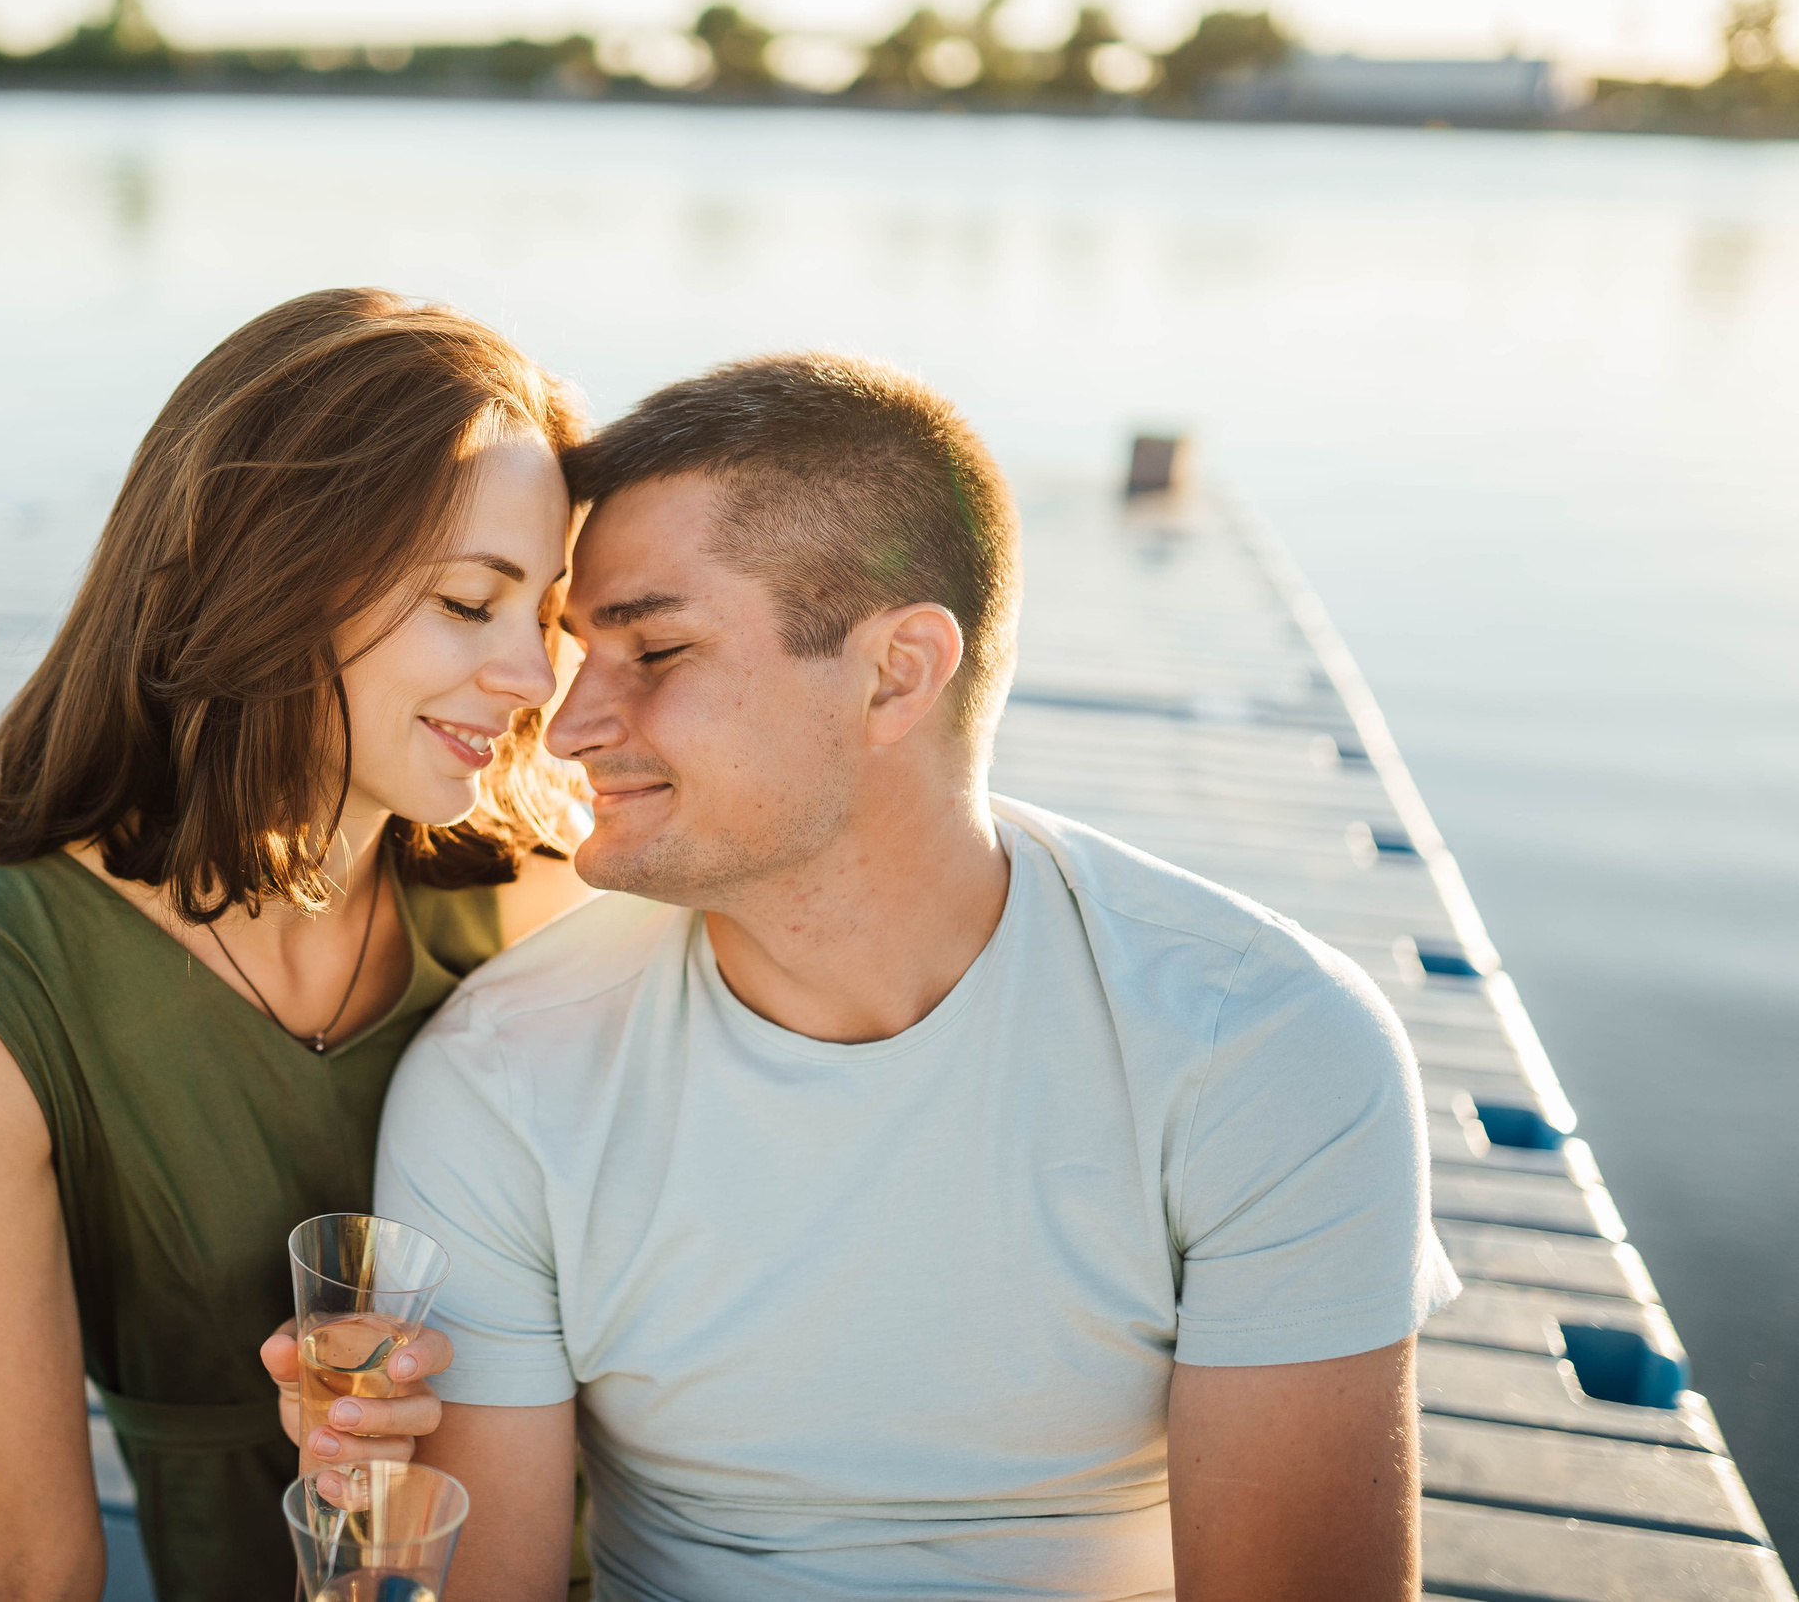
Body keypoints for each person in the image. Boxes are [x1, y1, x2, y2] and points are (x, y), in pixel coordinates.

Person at [376, 353, 1462, 1602]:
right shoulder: (503, 1075)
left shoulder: (1262, 1049)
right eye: (579, 654)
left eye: (655, 650)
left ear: (896, 673)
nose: (563, 726)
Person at [0, 289, 596, 1602]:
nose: (536, 677)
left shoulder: (550, 895)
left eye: (546, 613)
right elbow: (13, 1555)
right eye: (468, 600)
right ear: (267, 571)